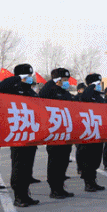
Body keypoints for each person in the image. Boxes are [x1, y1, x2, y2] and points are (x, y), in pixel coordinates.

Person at [0, 64, 41, 207]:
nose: (30, 78)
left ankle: (25, 194)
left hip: (31, 133)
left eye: (30, 76)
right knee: (19, 165)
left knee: (28, 166)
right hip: (18, 133)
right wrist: (17, 78)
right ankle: (18, 196)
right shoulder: (13, 89)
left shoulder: (31, 91)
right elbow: (2, 86)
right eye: (27, 76)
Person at [38, 68, 76, 199]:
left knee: (64, 161)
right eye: (64, 80)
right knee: (55, 162)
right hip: (54, 133)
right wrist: (51, 82)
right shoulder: (49, 91)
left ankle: (60, 187)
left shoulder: (65, 93)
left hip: (66, 133)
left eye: (67, 80)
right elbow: (41, 98)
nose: (67, 82)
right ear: (57, 80)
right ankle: (54, 189)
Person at [77, 73, 107, 190]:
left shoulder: (99, 96)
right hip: (88, 132)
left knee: (96, 159)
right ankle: (88, 182)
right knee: (88, 159)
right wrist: (91, 86)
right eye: (98, 84)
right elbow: (85, 97)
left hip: (98, 131)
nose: (100, 86)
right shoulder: (86, 94)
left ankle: (93, 181)